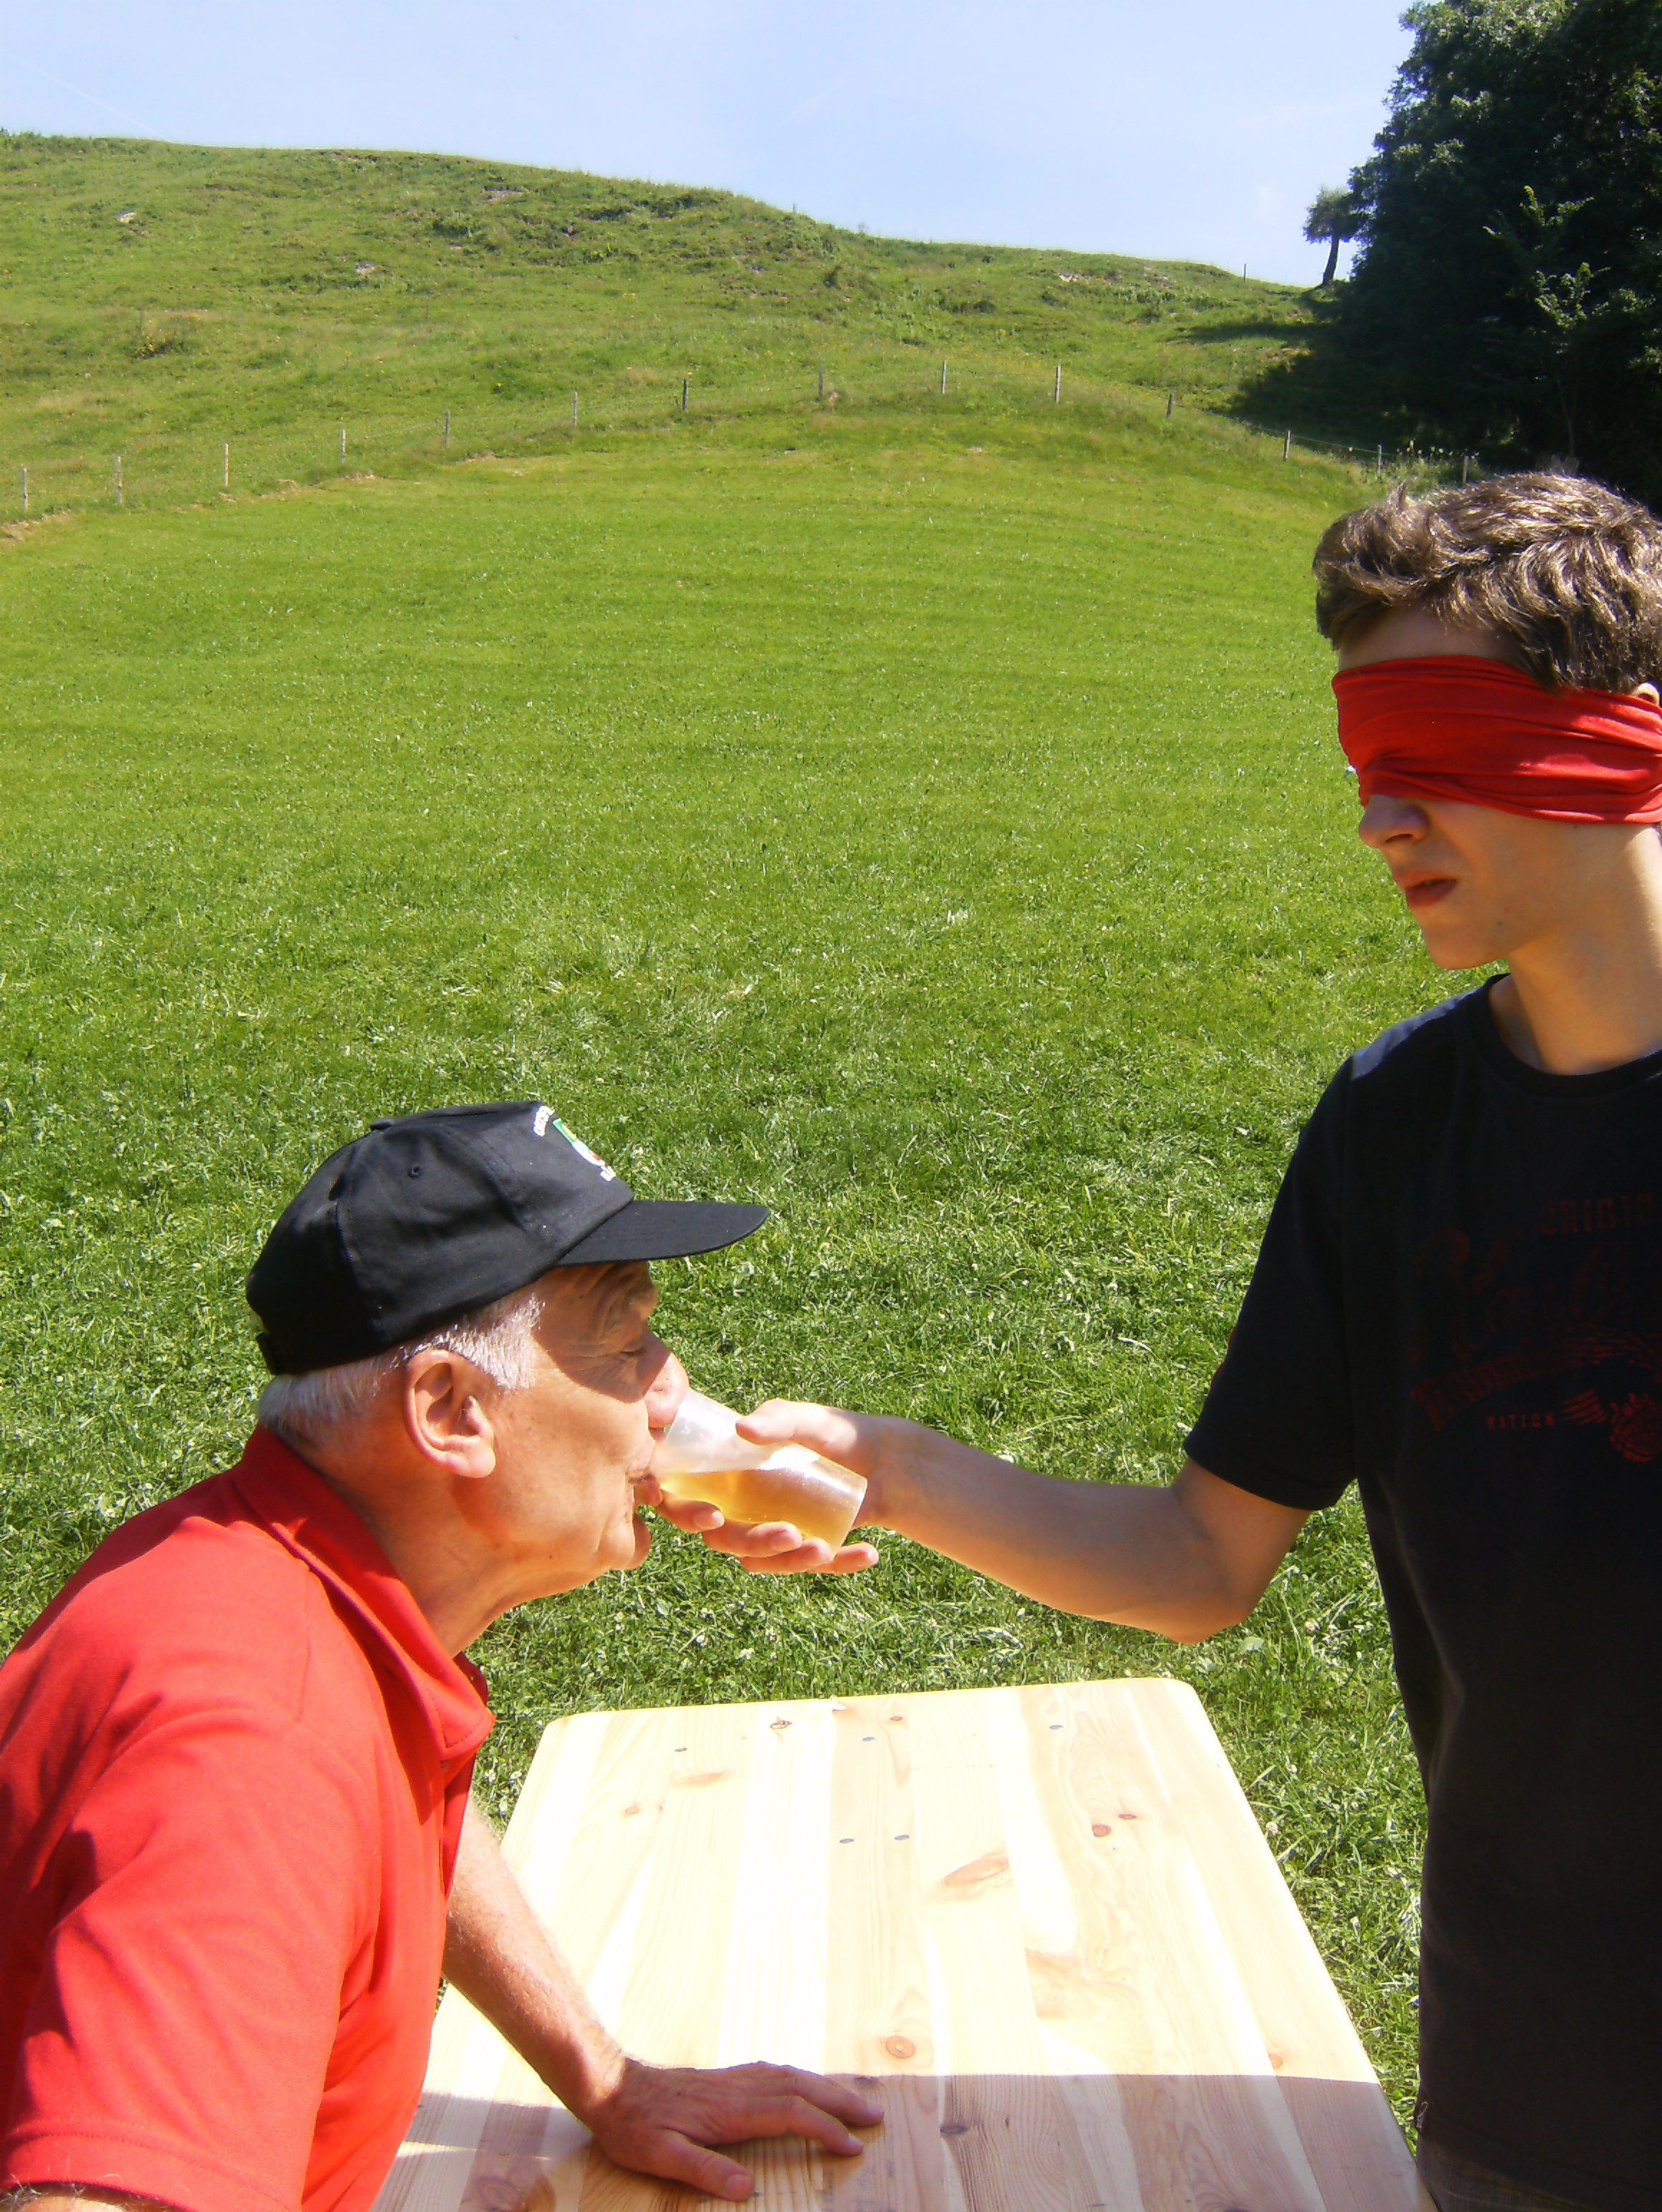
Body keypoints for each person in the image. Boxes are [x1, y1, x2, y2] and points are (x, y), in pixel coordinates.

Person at [712, 476, 1662, 2212]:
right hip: (1533, 2084)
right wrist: (892, 1469)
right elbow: (1199, 1560)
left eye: (1428, 748)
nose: (1374, 814)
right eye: (1359, 757)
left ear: (1617, 737)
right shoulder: (1391, 1133)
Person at [0, 1102, 878, 2212]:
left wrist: (608, 2080)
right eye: (628, 1349)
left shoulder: (287, 1577)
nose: (674, 1394)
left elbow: (402, 1806)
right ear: (452, 1411)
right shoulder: (254, 1749)